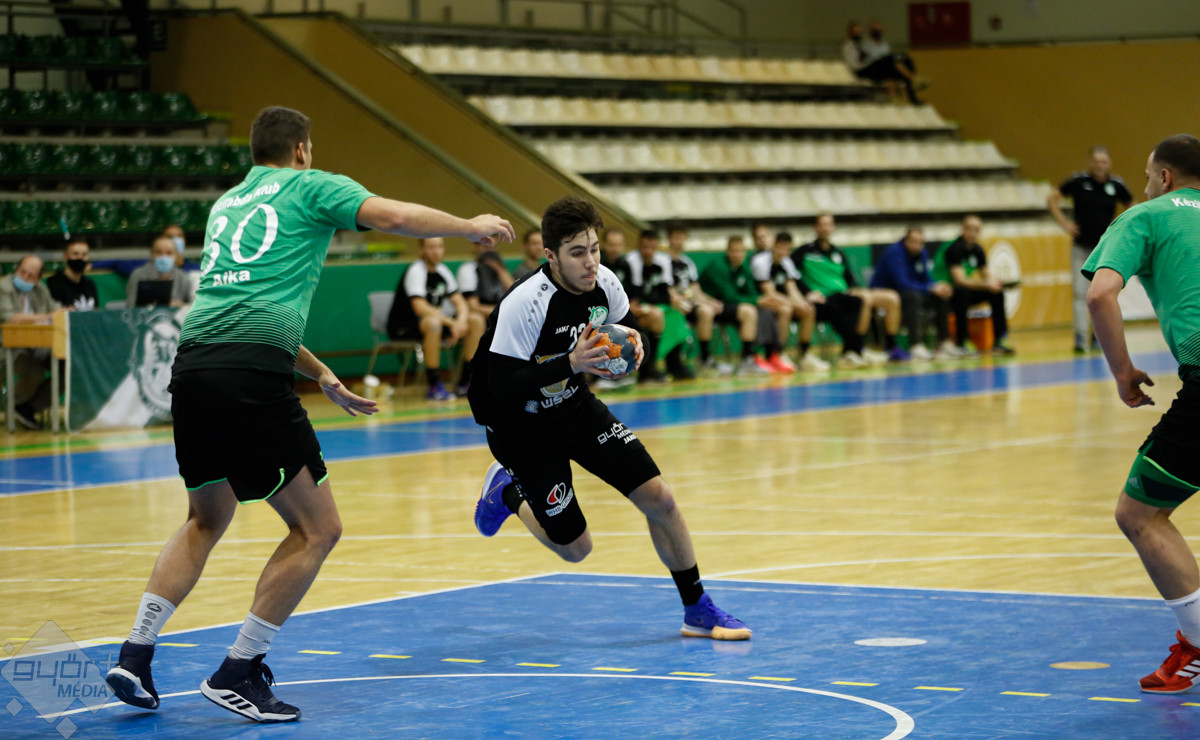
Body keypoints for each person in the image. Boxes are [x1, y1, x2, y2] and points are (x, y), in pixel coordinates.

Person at [104, 106, 513, 723]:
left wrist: (321, 373)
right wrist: (468, 226)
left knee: (204, 519)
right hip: (249, 377)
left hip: (193, 369)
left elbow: (245, 309)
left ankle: (135, 654)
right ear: (301, 149)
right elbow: (393, 217)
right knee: (318, 529)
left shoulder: (227, 205)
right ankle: (239, 669)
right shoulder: (312, 186)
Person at [468, 194, 750, 641]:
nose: (590, 262)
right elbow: (499, 386)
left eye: (595, 249)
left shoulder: (605, 284)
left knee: (661, 499)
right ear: (551, 256)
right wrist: (570, 363)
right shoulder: (526, 302)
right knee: (576, 549)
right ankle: (506, 492)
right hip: (519, 426)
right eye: (577, 253)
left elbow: (632, 331)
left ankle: (697, 609)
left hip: (575, 408)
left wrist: (637, 349)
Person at [1082, 133, 1200, 695]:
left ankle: (1199, 640)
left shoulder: (1146, 216)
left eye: (1149, 175)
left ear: (1165, 177)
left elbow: (1101, 294)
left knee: (1141, 514)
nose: (1147, 184)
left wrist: (1123, 370)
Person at [1049, 146, 1134, 353]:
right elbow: (1052, 198)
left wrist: (1120, 228)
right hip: (1081, 247)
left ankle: (1098, 336)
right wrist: (1064, 224)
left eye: (1103, 162)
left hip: (1105, 249)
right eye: (1096, 161)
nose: (1099, 166)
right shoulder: (1078, 182)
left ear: (1109, 164)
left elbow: (1133, 206)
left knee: (1101, 293)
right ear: (1090, 163)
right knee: (1080, 293)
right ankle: (1080, 338)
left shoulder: (1116, 185)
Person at [796, 212, 904, 363]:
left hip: (842, 294)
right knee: (859, 301)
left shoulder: (838, 253)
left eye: (828, 225)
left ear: (833, 227)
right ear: (815, 227)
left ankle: (887, 347)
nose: (825, 228)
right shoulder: (804, 252)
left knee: (885, 297)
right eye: (822, 225)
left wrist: (855, 289)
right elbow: (792, 275)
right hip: (823, 297)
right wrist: (807, 293)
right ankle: (856, 348)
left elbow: (849, 279)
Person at [386, 237, 481, 401]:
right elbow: (420, 308)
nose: (436, 251)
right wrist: (452, 323)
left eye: (439, 247)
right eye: (431, 247)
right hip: (405, 326)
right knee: (433, 323)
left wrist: (460, 322)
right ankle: (434, 384)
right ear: (421, 250)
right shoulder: (416, 270)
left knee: (476, 320)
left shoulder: (443, 271)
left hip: (435, 322)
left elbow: (460, 302)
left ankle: (466, 380)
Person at [749, 232, 830, 372]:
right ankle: (779, 353)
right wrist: (794, 303)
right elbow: (770, 293)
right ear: (774, 246)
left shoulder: (787, 262)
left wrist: (802, 303)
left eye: (786, 249)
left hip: (782, 300)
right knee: (785, 309)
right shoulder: (761, 262)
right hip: (763, 302)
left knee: (809, 309)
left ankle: (804, 355)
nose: (782, 252)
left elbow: (792, 289)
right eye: (780, 247)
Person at [869, 227, 952, 361]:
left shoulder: (922, 253)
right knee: (914, 297)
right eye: (913, 242)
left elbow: (925, 278)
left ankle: (944, 343)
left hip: (909, 292)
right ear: (905, 241)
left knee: (940, 296)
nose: (917, 246)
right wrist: (930, 288)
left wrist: (937, 286)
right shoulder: (894, 254)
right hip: (887, 292)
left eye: (920, 243)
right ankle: (915, 345)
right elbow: (902, 283)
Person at [936, 215, 1014, 356]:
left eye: (976, 230)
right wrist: (986, 285)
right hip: (944, 291)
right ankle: (962, 341)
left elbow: (986, 274)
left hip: (963, 290)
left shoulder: (977, 249)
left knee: (996, 293)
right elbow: (959, 280)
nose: (973, 233)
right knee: (962, 293)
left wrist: (995, 283)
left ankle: (999, 340)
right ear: (962, 229)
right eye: (970, 229)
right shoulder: (954, 248)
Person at [0, 255, 62, 429]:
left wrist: (63, 311)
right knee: (33, 370)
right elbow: (9, 317)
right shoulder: (3, 287)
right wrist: (43, 317)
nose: (25, 277)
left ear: (38, 279)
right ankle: (15, 405)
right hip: (7, 346)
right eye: (23, 272)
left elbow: (54, 308)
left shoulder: (40, 289)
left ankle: (24, 407)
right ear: (16, 269)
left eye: (31, 275)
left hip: (37, 345)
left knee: (64, 364)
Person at [699, 236, 773, 375]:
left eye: (740, 251)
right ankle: (705, 359)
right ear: (727, 252)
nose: (737, 255)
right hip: (711, 305)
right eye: (734, 251)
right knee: (748, 310)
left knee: (755, 311)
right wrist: (756, 301)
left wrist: (760, 299)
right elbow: (729, 297)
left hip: (727, 307)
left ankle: (748, 359)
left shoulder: (744, 268)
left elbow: (751, 292)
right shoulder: (718, 267)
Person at [600, 229, 663, 385]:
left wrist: (635, 308)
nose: (615, 249)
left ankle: (647, 370)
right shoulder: (598, 264)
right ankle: (603, 375)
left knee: (656, 316)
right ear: (603, 245)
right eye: (611, 244)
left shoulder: (625, 265)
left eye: (618, 245)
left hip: (624, 312)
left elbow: (632, 295)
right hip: (603, 313)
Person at [665, 223, 729, 374]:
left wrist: (710, 301)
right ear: (669, 239)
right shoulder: (663, 260)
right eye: (676, 238)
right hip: (673, 305)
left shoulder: (687, 262)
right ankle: (675, 361)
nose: (679, 241)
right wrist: (679, 299)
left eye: (682, 238)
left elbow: (696, 290)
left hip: (689, 304)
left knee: (706, 311)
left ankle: (705, 358)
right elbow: (666, 288)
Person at [457, 238, 514, 395]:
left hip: (495, 315)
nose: (489, 251)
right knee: (476, 320)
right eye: (485, 246)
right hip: (478, 317)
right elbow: (472, 306)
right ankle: (468, 377)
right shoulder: (469, 269)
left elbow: (516, 294)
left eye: (492, 247)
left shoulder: (498, 270)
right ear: (475, 246)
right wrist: (501, 312)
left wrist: (500, 271)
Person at [841, 20, 923, 105]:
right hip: (862, 70)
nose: (858, 34)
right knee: (890, 60)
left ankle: (910, 93)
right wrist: (869, 63)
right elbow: (855, 64)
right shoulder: (852, 46)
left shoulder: (865, 45)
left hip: (874, 67)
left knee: (905, 61)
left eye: (859, 32)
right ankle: (914, 80)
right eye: (855, 32)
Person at [126, 236, 195, 307]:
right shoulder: (138, 275)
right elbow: (130, 306)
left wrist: (180, 305)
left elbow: (192, 307)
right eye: (159, 252)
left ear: (176, 255)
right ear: (152, 254)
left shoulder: (183, 277)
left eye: (169, 253)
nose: (164, 257)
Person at [46, 237, 98, 312]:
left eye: (84, 254)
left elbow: (96, 311)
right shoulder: (54, 284)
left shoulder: (90, 285)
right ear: (65, 256)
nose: (80, 258)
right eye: (75, 254)